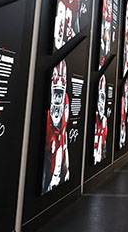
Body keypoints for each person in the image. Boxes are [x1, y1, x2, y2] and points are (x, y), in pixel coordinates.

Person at [44, 61, 70, 191]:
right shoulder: (47, 112)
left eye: (60, 94)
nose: (58, 99)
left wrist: (66, 167)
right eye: (56, 94)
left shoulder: (66, 103)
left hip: (58, 158)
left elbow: (63, 136)